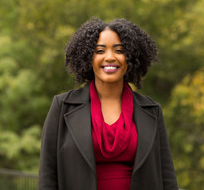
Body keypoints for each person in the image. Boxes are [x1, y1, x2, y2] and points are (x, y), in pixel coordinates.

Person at [38, 18, 178, 190]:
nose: (110, 57)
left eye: (119, 50)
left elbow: (167, 177)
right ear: (88, 57)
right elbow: (47, 176)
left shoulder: (151, 110)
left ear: (131, 58)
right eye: (100, 51)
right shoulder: (62, 106)